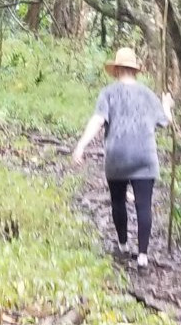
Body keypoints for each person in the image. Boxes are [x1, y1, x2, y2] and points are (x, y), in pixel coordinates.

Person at [72, 47, 172, 269]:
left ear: (116, 69)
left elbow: (98, 120)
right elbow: (165, 121)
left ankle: (124, 245)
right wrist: (166, 105)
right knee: (144, 205)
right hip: (145, 156)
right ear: (135, 70)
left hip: (117, 156)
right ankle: (143, 256)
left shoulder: (108, 93)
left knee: (118, 201)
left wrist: (81, 146)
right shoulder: (148, 95)